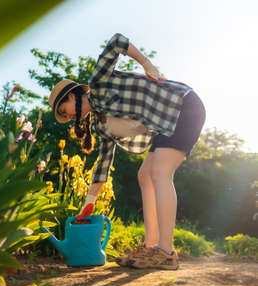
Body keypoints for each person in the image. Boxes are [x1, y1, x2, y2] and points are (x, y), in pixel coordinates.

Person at [47, 33, 206, 270]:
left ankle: (166, 251)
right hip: (165, 122)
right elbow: (104, 163)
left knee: (160, 172)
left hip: (182, 105)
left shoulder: (98, 81)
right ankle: (151, 246)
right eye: (64, 116)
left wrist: (146, 63)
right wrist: (89, 201)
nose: (68, 116)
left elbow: (116, 42)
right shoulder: (100, 125)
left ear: (72, 96)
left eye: (64, 109)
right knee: (145, 175)